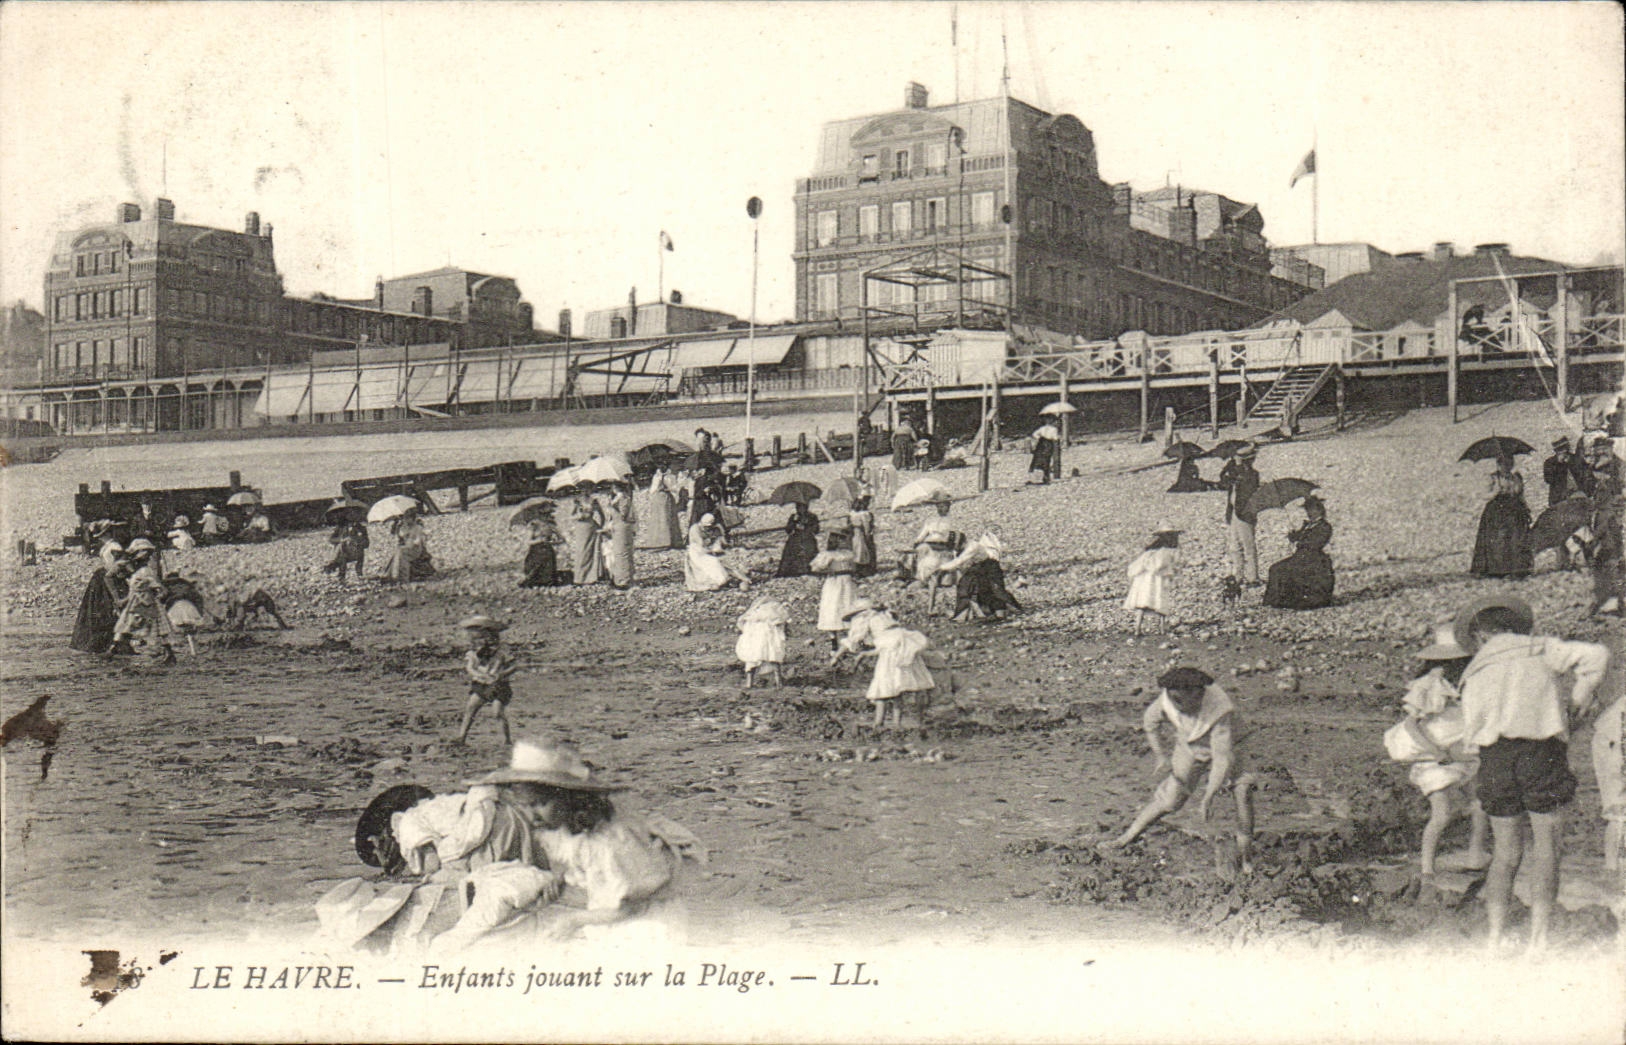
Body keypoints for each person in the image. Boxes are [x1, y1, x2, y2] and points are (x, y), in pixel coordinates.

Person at [1454, 596, 1609, 952]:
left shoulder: (1474, 671)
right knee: (1547, 850)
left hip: (1496, 758)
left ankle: (1494, 940)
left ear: (1479, 636)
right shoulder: (1540, 648)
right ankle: (1537, 942)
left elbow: (1472, 732)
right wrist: (1579, 698)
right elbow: (1598, 655)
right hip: (1541, 754)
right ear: (1517, 626)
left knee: (1506, 852)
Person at [1104, 666, 1258, 880]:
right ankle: (1125, 838)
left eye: (1182, 701)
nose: (1178, 705)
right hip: (1191, 745)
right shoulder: (1168, 698)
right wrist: (1160, 755)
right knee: (1170, 799)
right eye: (1174, 699)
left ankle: (1246, 859)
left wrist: (1208, 797)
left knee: (1243, 791)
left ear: (1199, 694)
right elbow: (1150, 723)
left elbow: (1222, 760)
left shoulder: (1219, 710)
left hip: (1234, 743)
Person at [1387, 627, 1490, 881]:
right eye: (1445, 663)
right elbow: (1412, 725)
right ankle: (1427, 867)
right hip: (1435, 759)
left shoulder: (1466, 684)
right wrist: (1436, 751)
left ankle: (1475, 855)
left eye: (1458, 662)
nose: (1450, 668)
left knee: (1480, 805)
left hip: (1461, 755)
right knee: (1442, 813)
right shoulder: (1429, 686)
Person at [834, 603, 939, 732]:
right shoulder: (884, 615)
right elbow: (887, 640)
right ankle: (901, 723)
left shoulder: (863, 617)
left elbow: (852, 640)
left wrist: (836, 657)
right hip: (905, 646)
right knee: (898, 685)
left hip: (890, 652)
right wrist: (864, 654)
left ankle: (879, 723)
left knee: (883, 685)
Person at [1263, 496, 1336, 610]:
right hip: (1301, 557)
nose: (1308, 513)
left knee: (1293, 571)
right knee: (1276, 568)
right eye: (1307, 510)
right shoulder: (1307, 525)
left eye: (1311, 509)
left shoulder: (1324, 526)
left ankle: (1292, 600)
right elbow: (1298, 537)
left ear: (1319, 510)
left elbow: (1317, 543)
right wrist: (1293, 536)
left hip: (1314, 559)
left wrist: (1302, 540)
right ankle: (1275, 600)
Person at [110, 539, 177, 663]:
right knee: (134, 623)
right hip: (143, 601)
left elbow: (154, 586)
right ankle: (115, 647)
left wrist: (159, 590)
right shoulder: (142, 571)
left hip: (144, 602)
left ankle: (115, 648)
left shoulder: (144, 571)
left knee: (129, 623)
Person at [457, 616, 518, 746]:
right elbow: (470, 667)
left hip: (499, 685)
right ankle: (461, 738)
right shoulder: (473, 651)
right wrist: (478, 674)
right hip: (481, 684)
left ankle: (507, 740)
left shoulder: (502, 649)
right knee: (470, 708)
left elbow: (514, 666)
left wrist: (501, 674)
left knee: (497, 713)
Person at [1469, 454, 1533, 578]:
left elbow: (1521, 495)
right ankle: (1496, 570)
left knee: (1516, 538)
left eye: (1509, 463)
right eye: (1504, 464)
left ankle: (1518, 569)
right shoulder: (1492, 478)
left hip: (1515, 510)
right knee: (1498, 539)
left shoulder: (1516, 477)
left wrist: (1526, 508)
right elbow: (1483, 495)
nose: (1507, 466)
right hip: (1497, 511)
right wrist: (1495, 492)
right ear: (1498, 465)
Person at [939, 532, 1022, 623]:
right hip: (978, 568)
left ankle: (1017, 609)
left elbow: (959, 561)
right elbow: (959, 565)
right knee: (982, 591)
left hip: (990, 566)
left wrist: (940, 568)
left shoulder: (972, 547)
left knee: (997, 590)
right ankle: (997, 613)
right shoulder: (958, 550)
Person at [70, 548, 129, 654]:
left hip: (106, 583)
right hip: (102, 587)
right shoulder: (113, 566)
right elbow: (110, 576)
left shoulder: (115, 559)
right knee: (102, 614)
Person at [810, 528, 861, 651]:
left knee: (848, 605)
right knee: (833, 607)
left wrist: (854, 574)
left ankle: (850, 639)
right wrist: (828, 570)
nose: (843, 541)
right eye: (840, 539)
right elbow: (814, 568)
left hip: (848, 583)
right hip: (834, 583)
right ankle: (834, 641)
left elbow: (855, 567)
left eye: (844, 538)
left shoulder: (848, 554)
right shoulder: (827, 554)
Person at [1125, 524, 1181, 634]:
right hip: (1157, 578)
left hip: (1144, 578)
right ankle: (1161, 628)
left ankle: (1138, 628)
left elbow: (1139, 564)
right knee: (1160, 600)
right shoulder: (1167, 551)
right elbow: (1162, 565)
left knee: (1143, 601)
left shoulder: (1151, 550)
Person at [1218, 444, 1261, 585]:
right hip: (1233, 512)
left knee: (1248, 545)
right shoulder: (1235, 473)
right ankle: (1238, 575)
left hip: (1245, 513)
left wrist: (1236, 467)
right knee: (1234, 546)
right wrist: (1230, 465)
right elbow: (1222, 479)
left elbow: (1248, 486)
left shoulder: (1252, 475)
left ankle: (1252, 577)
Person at [684, 514, 749, 592]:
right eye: (706, 527)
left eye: (709, 527)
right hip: (697, 553)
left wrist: (720, 535)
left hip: (708, 551)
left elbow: (722, 542)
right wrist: (710, 542)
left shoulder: (714, 529)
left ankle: (725, 580)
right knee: (713, 563)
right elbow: (701, 544)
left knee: (721, 563)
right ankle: (715, 582)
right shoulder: (695, 529)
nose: (707, 528)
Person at [735, 595, 790, 688]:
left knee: (752, 660)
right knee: (774, 658)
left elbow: (742, 625)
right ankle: (778, 683)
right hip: (769, 638)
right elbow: (784, 623)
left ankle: (749, 683)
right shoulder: (776, 612)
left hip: (755, 639)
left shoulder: (753, 615)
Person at [383, 510, 436, 583]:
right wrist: (397, 525)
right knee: (398, 552)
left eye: (408, 518)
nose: (406, 520)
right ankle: (393, 575)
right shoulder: (405, 527)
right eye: (405, 518)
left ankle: (402, 577)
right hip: (407, 548)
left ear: (412, 518)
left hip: (415, 549)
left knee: (400, 553)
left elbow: (418, 541)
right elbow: (398, 535)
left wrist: (411, 540)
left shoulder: (418, 528)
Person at [565, 492, 605, 586]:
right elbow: (571, 516)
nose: (585, 489)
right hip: (580, 528)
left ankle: (591, 577)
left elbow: (602, 515)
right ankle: (579, 578)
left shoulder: (594, 501)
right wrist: (579, 516)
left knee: (590, 552)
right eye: (582, 487)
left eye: (588, 486)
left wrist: (600, 527)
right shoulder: (577, 501)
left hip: (591, 527)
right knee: (581, 552)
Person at [638, 469, 682, 551]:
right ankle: (657, 542)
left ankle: (669, 541)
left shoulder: (670, 476)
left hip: (666, 497)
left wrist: (668, 488)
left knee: (666, 518)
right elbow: (652, 489)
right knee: (657, 519)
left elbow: (675, 488)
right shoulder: (656, 476)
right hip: (658, 498)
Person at [603, 484, 637, 590]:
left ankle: (624, 580)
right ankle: (622, 578)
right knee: (619, 552)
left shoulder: (623, 498)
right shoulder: (620, 498)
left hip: (622, 527)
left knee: (622, 552)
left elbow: (622, 515)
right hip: (619, 527)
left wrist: (611, 507)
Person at [776, 503, 821, 578]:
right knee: (790, 552)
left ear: (806, 507)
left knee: (808, 552)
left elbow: (816, 530)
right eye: (798, 507)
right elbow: (788, 530)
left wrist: (806, 527)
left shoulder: (812, 516)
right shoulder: (794, 516)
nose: (800, 509)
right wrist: (793, 523)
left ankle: (807, 570)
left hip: (807, 539)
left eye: (802, 507)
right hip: (795, 539)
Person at [324, 516, 370, 583]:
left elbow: (367, 544)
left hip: (356, 552)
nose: (352, 522)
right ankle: (340, 572)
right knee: (341, 548)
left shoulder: (362, 528)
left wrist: (357, 541)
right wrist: (341, 540)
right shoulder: (341, 528)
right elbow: (331, 539)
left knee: (341, 550)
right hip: (344, 552)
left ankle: (333, 562)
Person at [847, 495, 877, 578]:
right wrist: (868, 533)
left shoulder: (852, 514)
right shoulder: (865, 514)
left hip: (854, 533)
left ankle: (856, 569)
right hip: (861, 533)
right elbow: (866, 526)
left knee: (856, 550)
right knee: (864, 550)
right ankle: (866, 570)